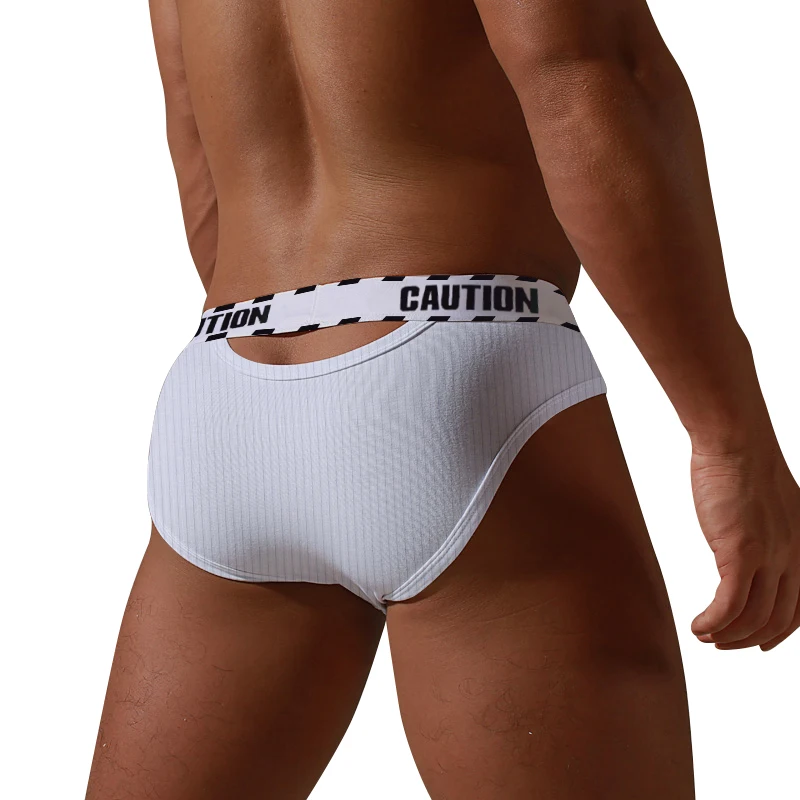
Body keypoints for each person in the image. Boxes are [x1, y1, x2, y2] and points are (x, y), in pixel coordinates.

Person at [86, 0, 800, 797]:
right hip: (451, 370)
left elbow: (199, 152)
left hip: (229, 374)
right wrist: (728, 437)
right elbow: (588, 77)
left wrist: (304, 395)